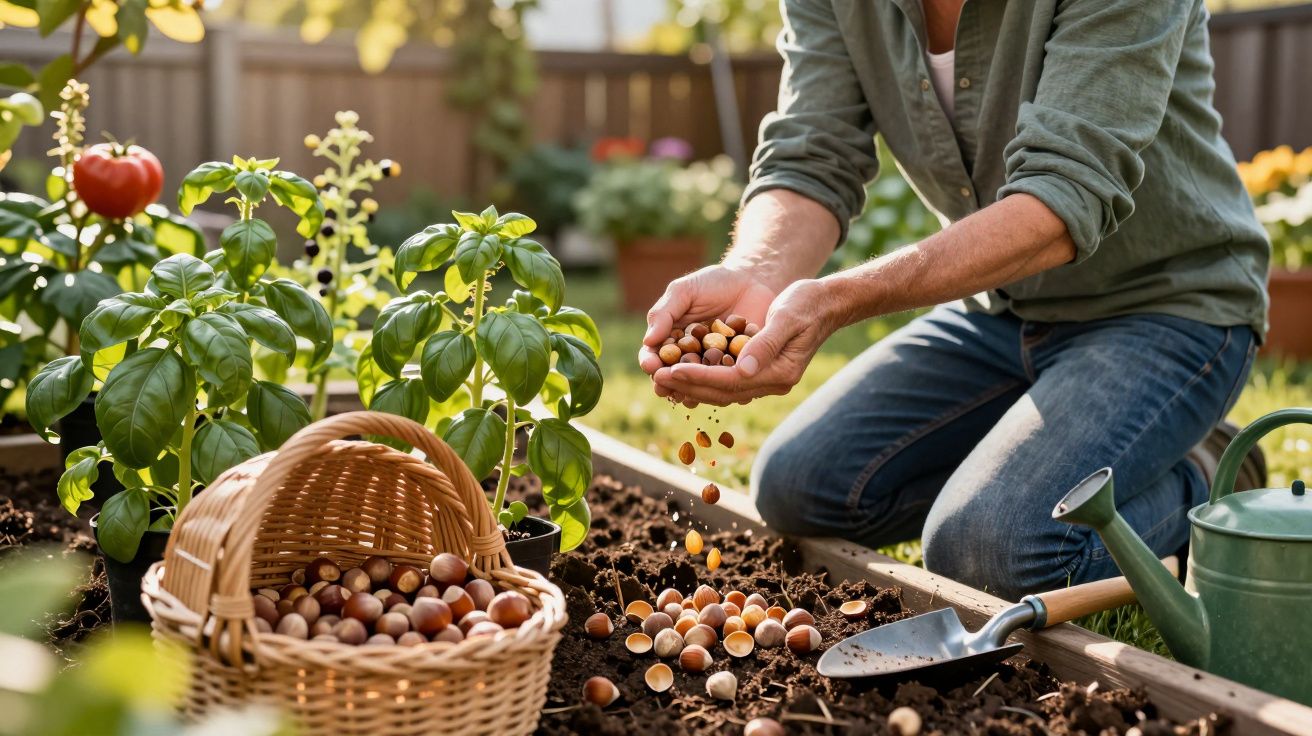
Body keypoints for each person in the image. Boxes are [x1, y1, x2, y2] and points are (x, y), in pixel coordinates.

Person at [638, 0, 1269, 600]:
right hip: (1003, 309)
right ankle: (1060, 453)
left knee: (988, 554)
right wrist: (754, 272)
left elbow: (1061, 196)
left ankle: (1212, 475)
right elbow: (812, 155)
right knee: (799, 486)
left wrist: (838, 298)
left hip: (1166, 307)